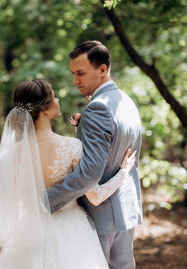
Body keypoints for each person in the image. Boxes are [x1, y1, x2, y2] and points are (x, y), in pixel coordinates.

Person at [0, 78, 136, 268]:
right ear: (45, 110)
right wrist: (123, 173)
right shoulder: (71, 146)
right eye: (54, 97)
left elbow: (13, 202)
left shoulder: (11, 155)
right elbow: (95, 196)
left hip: (29, 232)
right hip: (71, 231)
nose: (57, 101)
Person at [47, 40, 143, 269]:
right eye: (73, 73)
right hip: (125, 209)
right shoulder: (125, 101)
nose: (74, 80)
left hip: (100, 216)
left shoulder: (97, 108)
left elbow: (90, 173)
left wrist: (46, 201)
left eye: (80, 73)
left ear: (102, 70)